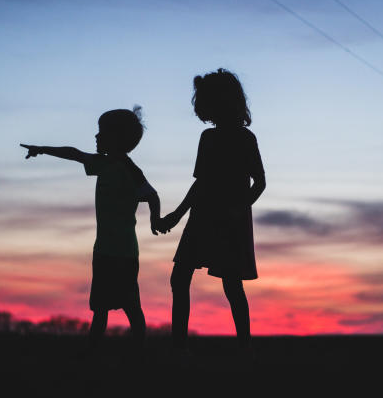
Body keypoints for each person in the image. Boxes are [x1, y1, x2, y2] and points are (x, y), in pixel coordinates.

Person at [20, 106, 162, 348]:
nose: (96, 137)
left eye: (102, 132)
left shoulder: (131, 170)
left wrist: (154, 220)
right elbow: (74, 153)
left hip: (125, 253)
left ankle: (139, 355)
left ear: (117, 138)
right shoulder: (102, 164)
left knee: (131, 307)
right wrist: (42, 149)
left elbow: (152, 195)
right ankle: (93, 354)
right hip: (103, 251)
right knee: (100, 308)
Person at [159, 69, 266, 347]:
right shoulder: (208, 138)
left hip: (230, 221)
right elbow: (201, 184)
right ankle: (178, 346)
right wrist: (177, 215)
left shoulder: (245, 139)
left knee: (231, 285)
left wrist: (239, 209)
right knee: (179, 278)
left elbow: (260, 183)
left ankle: (245, 348)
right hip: (202, 218)